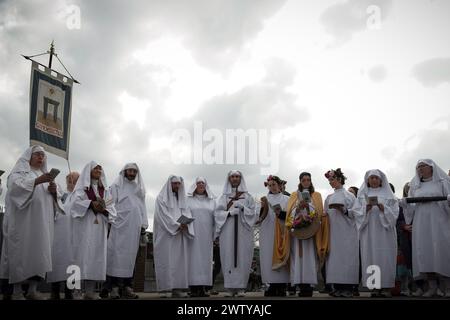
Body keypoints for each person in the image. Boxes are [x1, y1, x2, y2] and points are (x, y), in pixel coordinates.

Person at [0, 145, 64, 300]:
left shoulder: (46, 175)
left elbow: (59, 198)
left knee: (39, 255)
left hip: (42, 226)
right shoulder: (19, 173)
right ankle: (16, 291)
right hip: (24, 225)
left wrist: (55, 191)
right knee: (21, 254)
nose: (41, 157)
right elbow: (14, 189)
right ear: (29, 156)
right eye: (37, 155)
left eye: (43, 155)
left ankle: (32, 290)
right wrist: (35, 182)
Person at [67, 161, 116, 300]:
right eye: (95, 168)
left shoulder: (105, 191)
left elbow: (113, 210)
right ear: (88, 170)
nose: (98, 170)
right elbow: (74, 205)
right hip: (83, 227)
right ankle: (74, 291)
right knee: (79, 257)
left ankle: (90, 291)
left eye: (100, 168)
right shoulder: (81, 189)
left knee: (95, 257)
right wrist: (90, 204)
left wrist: (104, 209)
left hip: (99, 227)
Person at [402, 159, 450, 298]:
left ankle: (446, 286)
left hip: (439, 221)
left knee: (441, 251)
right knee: (425, 252)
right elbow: (410, 206)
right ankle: (432, 287)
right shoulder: (415, 186)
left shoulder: (442, 182)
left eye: (423, 166)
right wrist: (405, 203)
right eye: (418, 167)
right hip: (421, 222)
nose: (420, 169)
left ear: (431, 167)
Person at [355, 169, 399, 298]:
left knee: (384, 257)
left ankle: (385, 287)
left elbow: (395, 213)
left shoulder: (389, 195)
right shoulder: (362, 195)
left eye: (376, 178)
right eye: (371, 178)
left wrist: (384, 208)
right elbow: (356, 213)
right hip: (368, 231)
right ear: (367, 180)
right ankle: (374, 287)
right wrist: (365, 209)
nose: (374, 180)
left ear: (381, 180)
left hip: (384, 232)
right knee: (370, 256)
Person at [107, 163, 148, 299]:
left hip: (134, 228)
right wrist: (114, 221)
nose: (132, 173)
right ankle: (114, 287)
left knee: (131, 258)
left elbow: (142, 208)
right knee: (116, 256)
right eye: (130, 170)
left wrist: (143, 226)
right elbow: (109, 204)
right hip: (119, 227)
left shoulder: (139, 189)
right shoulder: (116, 185)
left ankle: (127, 287)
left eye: (134, 171)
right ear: (124, 171)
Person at [215, 170, 257, 297]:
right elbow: (216, 214)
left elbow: (254, 213)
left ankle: (240, 288)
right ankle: (229, 287)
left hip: (243, 232)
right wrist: (228, 213)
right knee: (228, 256)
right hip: (227, 232)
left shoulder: (248, 197)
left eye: (237, 177)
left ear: (241, 178)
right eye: (232, 177)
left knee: (242, 257)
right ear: (229, 179)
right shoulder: (223, 197)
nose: (235, 179)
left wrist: (244, 208)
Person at [285, 172, 327, 297]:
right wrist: (298, 208)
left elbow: (319, 213)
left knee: (310, 258)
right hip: (298, 231)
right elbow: (290, 213)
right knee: (297, 258)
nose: (306, 182)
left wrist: (308, 208)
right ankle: (299, 284)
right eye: (304, 180)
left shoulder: (317, 195)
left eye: (308, 179)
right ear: (300, 181)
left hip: (310, 231)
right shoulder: (294, 195)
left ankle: (308, 286)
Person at [153, 175, 194, 298]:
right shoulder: (161, 198)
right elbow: (162, 215)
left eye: (178, 184)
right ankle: (165, 289)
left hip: (180, 235)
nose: (177, 186)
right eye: (174, 183)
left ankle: (177, 288)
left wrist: (186, 224)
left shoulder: (183, 199)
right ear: (169, 184)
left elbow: (187, 212)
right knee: (166, 260)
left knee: (179, 262)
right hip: (166, 234)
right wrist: (176, 225)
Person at [323, 168, 359, 298]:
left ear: (339, 179)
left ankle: (348, 287)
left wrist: (344, 210)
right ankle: (337, 287)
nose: (330, 182)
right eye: (329, 180)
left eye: (332, 179)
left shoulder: (350, 196)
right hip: (333, 233)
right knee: (334, 260)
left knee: (347, 259)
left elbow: (357, 213)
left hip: (347, 233)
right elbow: (325, 214)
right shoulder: (329, 198)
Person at [48, 171, 80, 300]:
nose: (71, 180)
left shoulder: (80, 195)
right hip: (59, 232)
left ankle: (70, 292)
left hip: (74, 233)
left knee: (73, 262)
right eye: (69, 178)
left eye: (75, 178)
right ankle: (54, 291)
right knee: (57, 261)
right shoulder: (61, 193)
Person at [257, 175, 290, 297]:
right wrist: (261, 208)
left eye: (274, 185)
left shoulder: (286, 199)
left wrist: (280, 213)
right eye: (270, 185)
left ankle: (282, 286)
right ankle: (271, 285)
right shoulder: (265, 199)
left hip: (282, 231)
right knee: (268, 256)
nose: (272, 187)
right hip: (267, 231)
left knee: (281, 255)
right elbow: (260, 216)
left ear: (279, 185)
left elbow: (291, 214)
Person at [186, 177, 216, 297]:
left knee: (205, 261)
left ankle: (203, 287)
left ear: (206, 185)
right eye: (198, 183)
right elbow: (185, 213)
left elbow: (216, 217)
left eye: (203, 183)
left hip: (207, 236)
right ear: (195, 185)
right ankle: (193, 288)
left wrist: (216, 234)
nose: (201, 185)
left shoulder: (212, 200)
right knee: (193, 261)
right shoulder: (188, 200)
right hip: (192, 235)